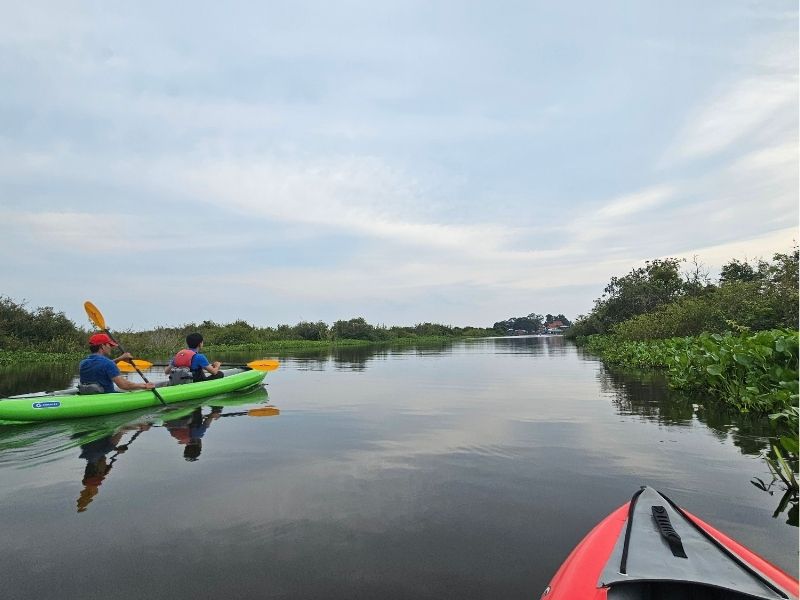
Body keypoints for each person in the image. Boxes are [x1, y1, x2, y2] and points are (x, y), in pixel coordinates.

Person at [79, 333, 155, 393]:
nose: (111, 347)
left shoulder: (83, 363)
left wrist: (120, 359)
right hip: (107, 397)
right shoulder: (108, 364)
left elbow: (100, 365)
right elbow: (124, 385)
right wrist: (144, 386)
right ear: (102, 346)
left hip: (89, 395)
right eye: (109, 345)